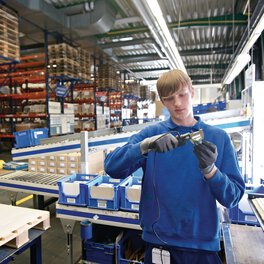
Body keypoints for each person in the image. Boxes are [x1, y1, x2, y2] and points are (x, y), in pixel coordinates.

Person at [104, 69, 245, 264]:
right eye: (169, 98)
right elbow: (112, 167)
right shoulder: (152, 134)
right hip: (159, 243)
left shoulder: (218, 139)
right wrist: (144, 146)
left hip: (201, 245)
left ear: (192, 92)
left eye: (182, 95)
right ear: (162, 100)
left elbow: (233, 197)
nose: (177, 103)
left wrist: (211, 171)